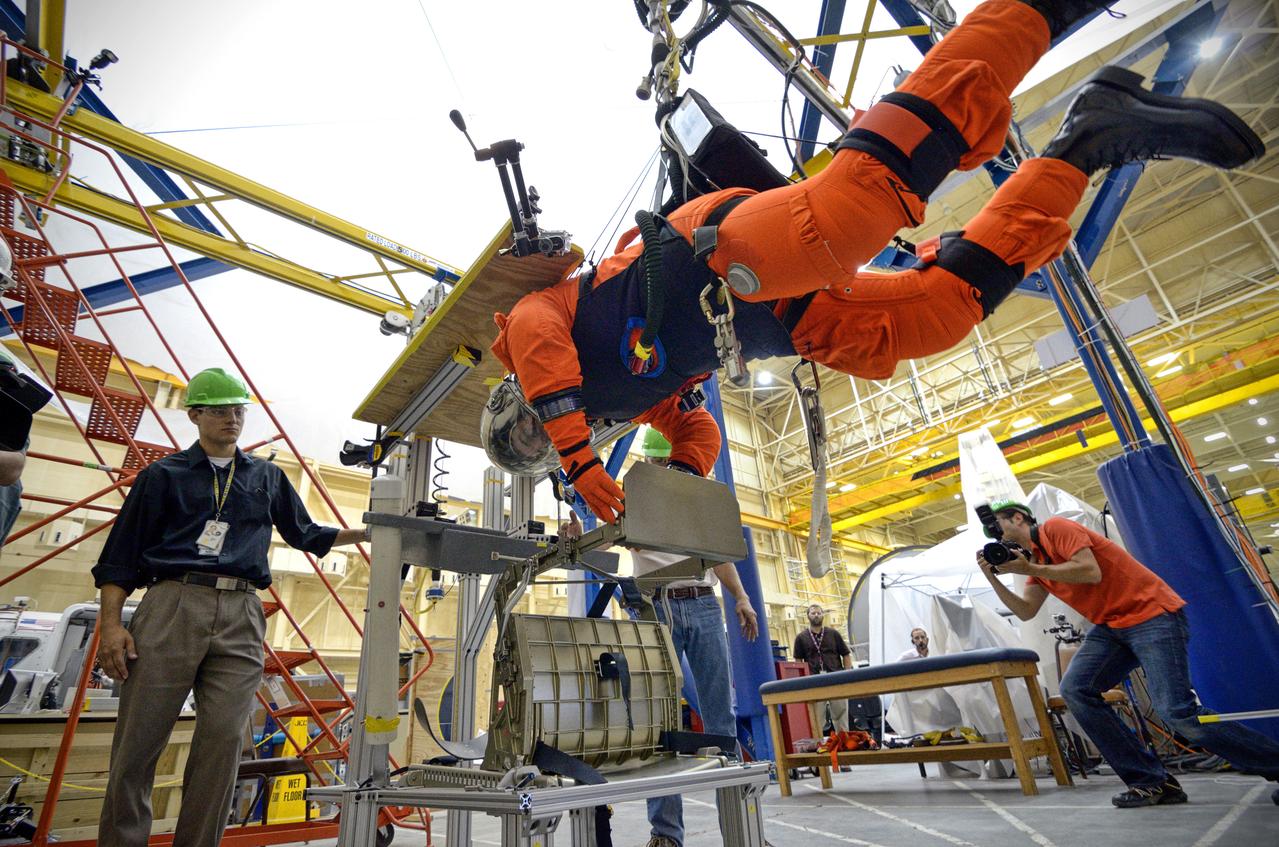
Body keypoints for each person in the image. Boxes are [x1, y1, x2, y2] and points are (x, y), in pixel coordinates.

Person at [482, 0, 1265, 524]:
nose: (541, 443)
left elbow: (544, 348)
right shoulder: (622, 402)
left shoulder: (531, 333)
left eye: (528, 436)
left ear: (515, 406)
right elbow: (691, 424)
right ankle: (1088, 140)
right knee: (929, 320)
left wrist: (583, 458)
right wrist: (683, 474)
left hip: (713, 257)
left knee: (844, 218)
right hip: (776, 319)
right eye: (536, 454)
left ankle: (1037, 11)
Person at [92, 368, 368, 847]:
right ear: (195, 414)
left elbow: (307, 534)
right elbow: (118, 559)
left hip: (242, 612)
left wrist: (367, 533)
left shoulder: (267, 477)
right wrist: (110, 626)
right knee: (138, 745)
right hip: (173, 602)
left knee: (222, 744)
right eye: (219, 410)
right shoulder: (162, 476)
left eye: (238, 410)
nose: (231, 419)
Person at [975, 500, 1279, 808]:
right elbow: (1025, 611)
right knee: (1075, 690)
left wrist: (1031, 568)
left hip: (1151, 616)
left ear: (1018, 517)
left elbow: (1090, 572)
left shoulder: (1056, 528)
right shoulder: (1035, 564)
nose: (997, 535)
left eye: (998, 526)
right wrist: (992, 577)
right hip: (1111, 627)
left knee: (1176, 712)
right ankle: (1150, 782)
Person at [562, 428, 758, 847]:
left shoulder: (695, 500)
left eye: (676, 463)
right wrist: (575, 536)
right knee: (659, 726)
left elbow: (719, 555)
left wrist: (740, 597)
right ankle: (666, 836)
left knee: (721, 722)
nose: (670, 470)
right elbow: (600, 539)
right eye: (663, 463)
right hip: (655, 607)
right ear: (650, 463)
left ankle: (741, 833)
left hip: (703, 605)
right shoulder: (631, 499)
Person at [792, 604, 852, 732]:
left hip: (836, 679)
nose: (816, 615)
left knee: (840, 713)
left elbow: (846, 654)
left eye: (819, 613)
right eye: (813, 613)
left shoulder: (833, 634)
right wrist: (802, 681)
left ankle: (844, 743)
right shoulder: (801, 638)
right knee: (816, 717)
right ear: (807, 616)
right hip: (814, 682)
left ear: (823, 615)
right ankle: (817, 745)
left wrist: (847, 675)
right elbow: (798, 660)